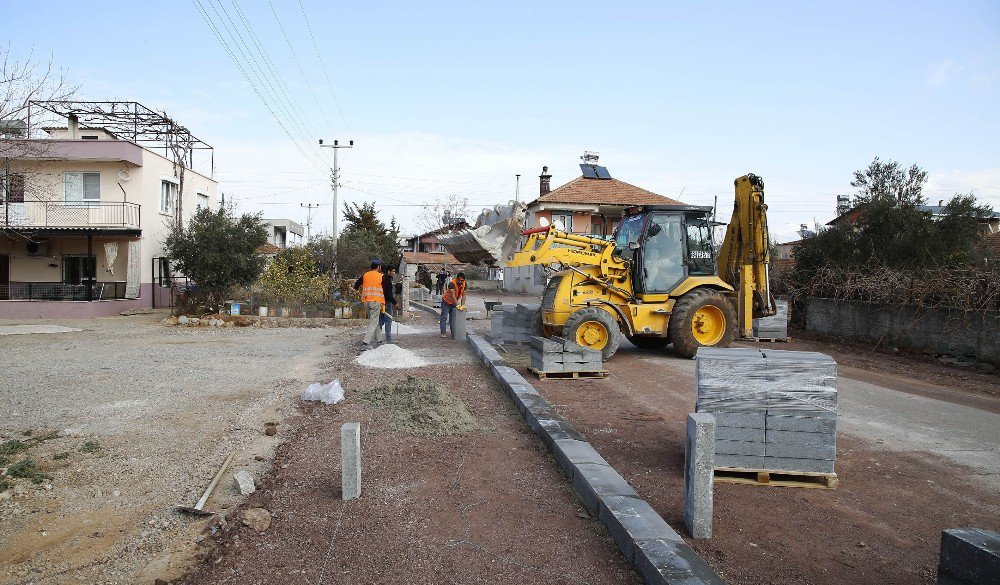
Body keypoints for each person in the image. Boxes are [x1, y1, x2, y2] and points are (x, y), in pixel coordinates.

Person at [353, 260, 385, 350]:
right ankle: (365, 343)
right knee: (373, 322)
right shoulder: (381, 276)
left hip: (366, 302)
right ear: (378, 267)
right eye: (380, 266)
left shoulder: (365, 275)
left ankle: (379, 341)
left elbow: (356, 285)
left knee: (375, 321)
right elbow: (386, 291)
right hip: (376, 301)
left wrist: (359, 292)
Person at [439, 272, 467, 338]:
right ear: (456, 279)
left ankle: (453, 333)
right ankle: (443, 332)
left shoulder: (464, 284)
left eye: (462, 280)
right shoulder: (452, 284)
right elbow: (453, 296)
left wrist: (462, 305)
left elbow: (464, 295)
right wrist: (457, 305)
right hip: (446, 301)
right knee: (444, 316)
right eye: (459, 280)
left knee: (453, 318)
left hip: (454, 302)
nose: (460, 281)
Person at [379, 267, 399, 343]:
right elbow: (388, 295)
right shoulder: (387, 280)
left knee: (380, 320)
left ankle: (378, 338)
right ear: (388, 271)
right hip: (386, 302)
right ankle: (388, 339)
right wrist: (395, 303)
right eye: (393, 271)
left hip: (380, 301)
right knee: (388, 320)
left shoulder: (382, 278)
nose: (394, 273)